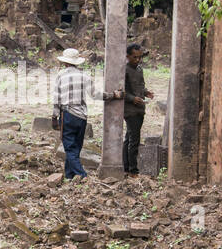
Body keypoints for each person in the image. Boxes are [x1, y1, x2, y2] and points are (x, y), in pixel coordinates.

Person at [52, 48, 120, 180]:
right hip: (82, 116)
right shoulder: (84, 76)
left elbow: (57, 98)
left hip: (67, 114)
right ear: (77, 62)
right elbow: (95, 95)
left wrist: (54, 117)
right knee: (76, 147)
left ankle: (83, 176)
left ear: (65, 63)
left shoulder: (61, 75)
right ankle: (69, 176)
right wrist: (113, 95)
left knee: (69, 149)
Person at [122, 42, 154, 176]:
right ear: (128, 56)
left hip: (140, 108)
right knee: (134, 140)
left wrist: (146, 92)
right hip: (130, 110)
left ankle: (127, 168)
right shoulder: (125, 70)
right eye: (135, 57)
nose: (138, 60)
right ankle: (132, 170)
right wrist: (132, 99)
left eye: (140, 57)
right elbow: (122, 91)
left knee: (130, 138)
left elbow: (140, 86)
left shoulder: (139, 69)